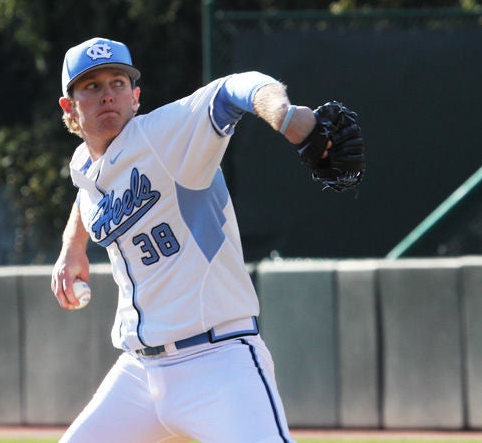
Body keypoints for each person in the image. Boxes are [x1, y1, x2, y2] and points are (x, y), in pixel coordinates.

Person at [50, 36, 328, 443]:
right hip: (139, 375)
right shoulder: (85, 164)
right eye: (92, 86)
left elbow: (236, 88)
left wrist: (286, 116)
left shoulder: (165, 135)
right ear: (70, 107)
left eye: (118, 83)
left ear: (135, 96)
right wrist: (72, 246)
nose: (108, 95)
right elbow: (88, 186)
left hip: (218, 362)